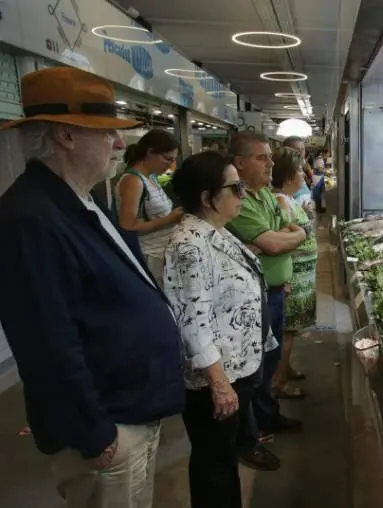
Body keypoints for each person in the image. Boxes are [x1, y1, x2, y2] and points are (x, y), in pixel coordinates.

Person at [0, 67, 183, 508]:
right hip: (107, 429)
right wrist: (95, 432)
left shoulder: (81, 197)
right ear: (66, 135)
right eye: (107, 134)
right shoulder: (30, 218)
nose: (120, 144)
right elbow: (46, 343)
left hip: (132, 409)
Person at [164, 151, 279, 507]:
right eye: (235, 187)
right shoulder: (189, 245)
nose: (243, 194)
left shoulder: (215, 232)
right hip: (216, 381)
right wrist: (218, 384)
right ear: (206, 198)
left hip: (237, 370)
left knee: (224, 460)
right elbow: (192, 321)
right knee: (214, 466)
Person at [226, 132, 305, 463]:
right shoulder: (240, 201)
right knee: (250, 370)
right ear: (240, 164)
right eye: (263, 158)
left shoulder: (265, 197)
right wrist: (278, 239)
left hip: (273, 291)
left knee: (269, 362)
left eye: (271, 157)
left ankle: (268, 416)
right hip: (248, 299)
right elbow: (275, 243)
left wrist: (285, 237)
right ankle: (249, 437)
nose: (271, 163)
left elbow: (296, 228)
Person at [270, 148, 319, 399]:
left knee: (291, 330)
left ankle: (285, 369)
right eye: (300, 170)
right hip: (293, 276)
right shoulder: (280, 201)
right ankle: (278, 382)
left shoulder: (287, 199)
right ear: (289, 176)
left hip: (300, 274)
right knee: (287, 331)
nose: (303, 174)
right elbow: (284, 238)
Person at [117, 129, 184, 281]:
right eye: (167, 159)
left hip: (162, 254)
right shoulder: (133, 181)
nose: (170, 165)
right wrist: (169, 219)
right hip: (149, 256)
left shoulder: (151, 178)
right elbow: (127, 226)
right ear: (150, 152)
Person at [282, 136, 314, 214]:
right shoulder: (284, 173)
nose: (301, 153)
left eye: (303, 149)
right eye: (296, 150)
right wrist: (300, 211)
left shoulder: (301, 167)